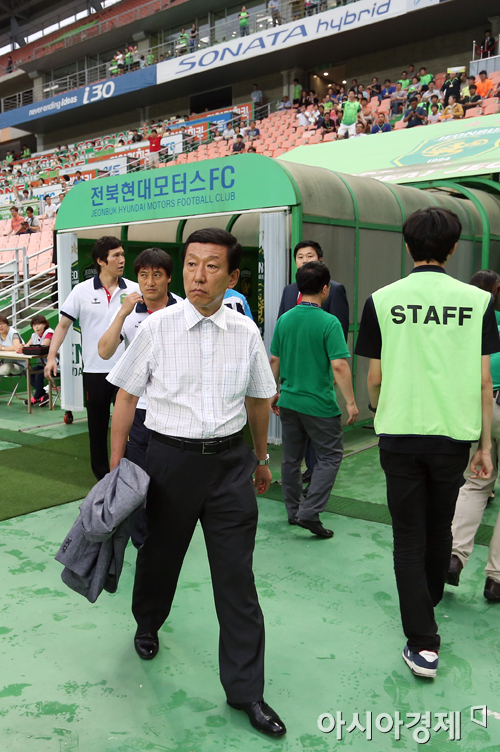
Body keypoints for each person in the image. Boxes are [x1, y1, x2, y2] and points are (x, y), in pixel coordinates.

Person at [106, 228, 286, 738]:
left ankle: (247, 692)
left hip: (230, 465)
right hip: (169, 461)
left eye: (211, 266)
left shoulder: (245, 332)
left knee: (237, 579)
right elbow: (124, 397)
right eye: (191, 264)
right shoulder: (157, 329)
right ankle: (147, 621)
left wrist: (260, 458)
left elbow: (257, 401)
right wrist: (118, 465)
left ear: (232, 277)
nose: (198, 275)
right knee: (161, 556)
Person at [355, 206, 500, 679]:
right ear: (453, 248)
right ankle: (427, 606)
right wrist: (484, 444)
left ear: (407, 244)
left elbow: (373, 378)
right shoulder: (478, 302)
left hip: (399, 433)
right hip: (454, 434)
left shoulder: (381, 299)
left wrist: (381, 409)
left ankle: (422, 637)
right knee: (439, 528)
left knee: (408, 536)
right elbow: (484, 383)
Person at [98, 248, 182, 547]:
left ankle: (165, 538)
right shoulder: (128, 312)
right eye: (143, 275)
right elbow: (104, 351)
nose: (149, 282)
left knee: (171, 483)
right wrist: (122, 312)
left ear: (169, 278)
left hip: (175, 412)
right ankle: (143, 542)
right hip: (140, 412)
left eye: (157, 275)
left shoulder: (183, 310)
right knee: (136, 482)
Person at [271, 261, 358, 537]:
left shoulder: (285, 319)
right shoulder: (329, 322)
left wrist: (274, 391)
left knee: (291, 459)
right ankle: (310, 512)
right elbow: (340, 365)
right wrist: (351, 402)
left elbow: (274, 359)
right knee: (331, 455)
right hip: (319, 404)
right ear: (325, 289)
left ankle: (293, 511)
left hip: (290, 401)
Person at [45, 236, 139, 481]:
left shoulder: (133, 289)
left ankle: (127, 480)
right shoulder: (81, 291)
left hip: (127, 373)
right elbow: (63, 325)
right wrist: (51, 356)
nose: (122, 260)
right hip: (95, 373)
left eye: (122, 254)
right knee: (97, 432)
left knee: (130, 431)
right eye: (115, 255)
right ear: (100, 261)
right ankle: (103, 482)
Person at [448, 270, 500, 602]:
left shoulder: (464, 323)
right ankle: (496, 579)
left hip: (483, 406)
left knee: (477, 482)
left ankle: (453, 556)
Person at [20, 315, 53, 406]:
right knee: (27, 372)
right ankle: (42, 395)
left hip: (53, 364)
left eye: (39, 324)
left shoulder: (49, 333)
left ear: (45, 324)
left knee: (38, 374)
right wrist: (21, 347)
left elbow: (42, 348)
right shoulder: (34, 335)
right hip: (42, 364)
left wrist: (29, 348)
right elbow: (26, 347)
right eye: (34, 325)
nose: (36, 327)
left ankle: (36, 397)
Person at [0, 315, 25, 383]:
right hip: (4, 363)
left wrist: (2, 348)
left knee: (7, 367)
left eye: (2, 323)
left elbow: (16, 347)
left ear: (7, 324)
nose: (0, 326)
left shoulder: (13, 333)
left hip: (18, 365)